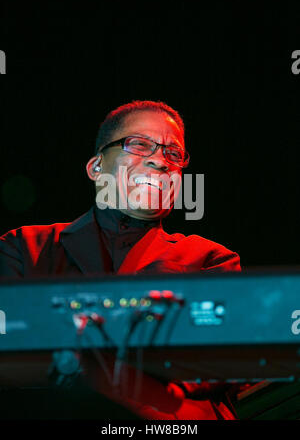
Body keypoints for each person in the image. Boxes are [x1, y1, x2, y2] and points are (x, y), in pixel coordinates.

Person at [0, 100, 241, 420]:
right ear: (96, 167)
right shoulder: (24, 247)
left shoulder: (209, 258)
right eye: (140, 144)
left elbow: (226, 358)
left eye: (174, 154)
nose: (160, 161)